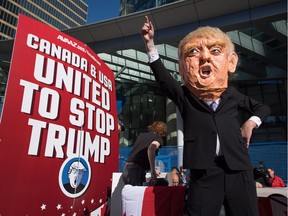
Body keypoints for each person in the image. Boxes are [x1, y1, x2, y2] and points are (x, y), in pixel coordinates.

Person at [141, 16, 271, 216]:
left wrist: (251, 123)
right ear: (184, 67)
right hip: (204, 170)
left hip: (238, 168)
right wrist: (150, 45)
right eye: (193, 52)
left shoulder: (232, 95)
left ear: (231, 62)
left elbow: (262, 108)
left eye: (215, 50)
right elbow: (164, 80)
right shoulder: (185, 96)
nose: (205, 57)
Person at [122, 121, 167, 186]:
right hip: (136, 171)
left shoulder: (142, 136)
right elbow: (151, 149)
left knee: (130, 194)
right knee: (137, 194)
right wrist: (152, 171)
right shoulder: (158, 138)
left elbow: (140, 155)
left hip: (127, 169)